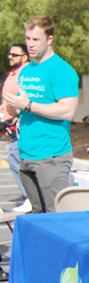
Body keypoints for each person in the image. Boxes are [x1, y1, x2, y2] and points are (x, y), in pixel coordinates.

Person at [2, 16, 79, 214]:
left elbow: (67, 111)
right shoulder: (27, 70)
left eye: (36, 39)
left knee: (56, 216)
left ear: (50, 39)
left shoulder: (62, 70)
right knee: (37, 216)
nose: (30, 44)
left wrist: (27, 105)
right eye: (28, 39)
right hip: (26, 152)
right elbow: (25, 105)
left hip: (51, 155)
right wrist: (13, 109)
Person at [0, 43, 31, 212]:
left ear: (24, 57)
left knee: (15, 158)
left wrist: (18, 117)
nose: (10, 56)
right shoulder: (13, 73)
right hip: (11, 125)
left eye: (14, 54)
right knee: (15, 158)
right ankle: (29, 196)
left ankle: (30, 197)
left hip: (21, 123)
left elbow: (26, 98)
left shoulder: (26, 73)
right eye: (9, 53)